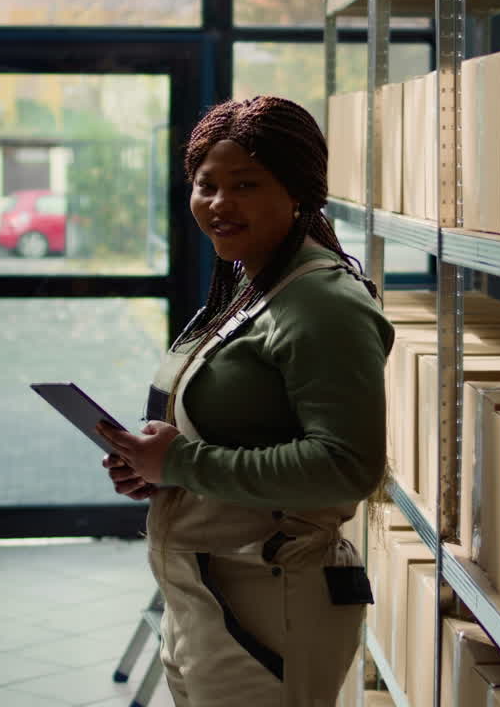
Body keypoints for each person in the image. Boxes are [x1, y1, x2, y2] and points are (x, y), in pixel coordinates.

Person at [97, 96, 395, 706]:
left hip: (270, 602)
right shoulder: (254, 284)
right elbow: (240, 431)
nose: (219, 203)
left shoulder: (322, 303)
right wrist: (157, 468)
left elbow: (348, 466)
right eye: (206, 185)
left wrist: (181, 463)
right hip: (207, 593)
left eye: (245, 185)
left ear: (298, 191)